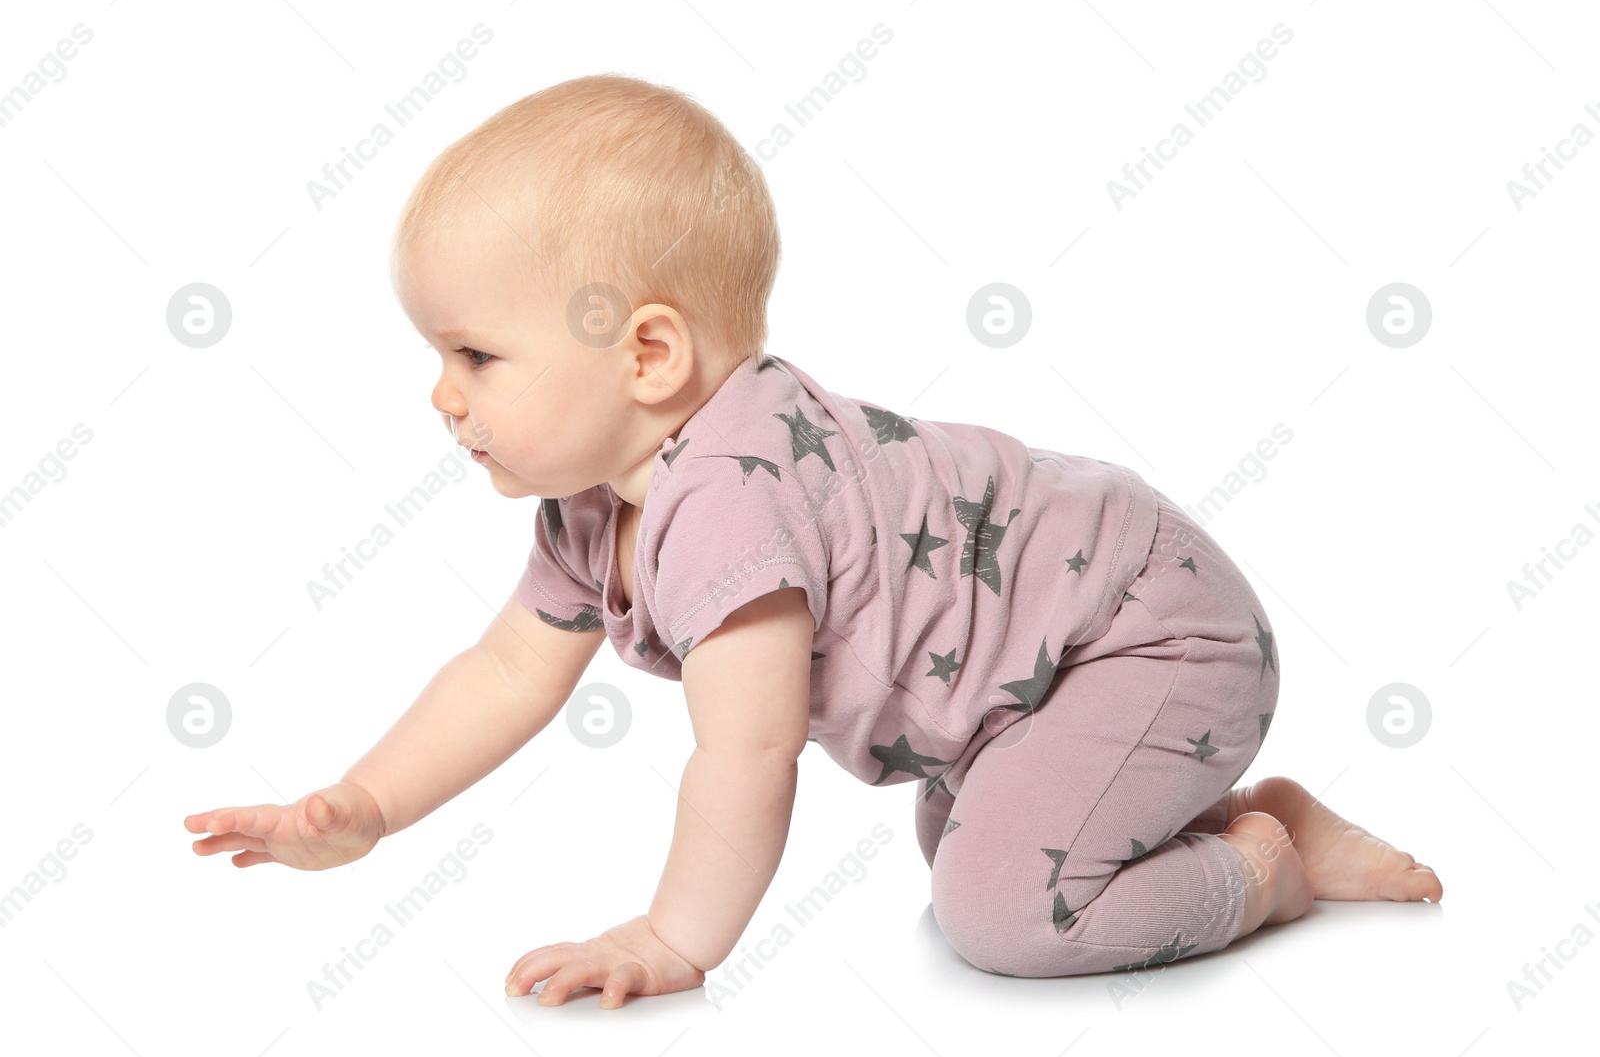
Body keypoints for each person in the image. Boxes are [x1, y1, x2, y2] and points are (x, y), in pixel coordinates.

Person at [184, 73, 1442, 1006]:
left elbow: (747, 753)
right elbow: (507, 672)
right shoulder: (591, 507)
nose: (443, 395)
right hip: (1054, 666)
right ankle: (1237, 815)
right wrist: (364, 806)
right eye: (435, 356)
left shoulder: (730, 497)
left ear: (650, 354)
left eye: (475, 355)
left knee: (1005, 910)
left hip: (1153, 634)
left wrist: (675, 938)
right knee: (966, 849)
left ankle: (1264, 866)